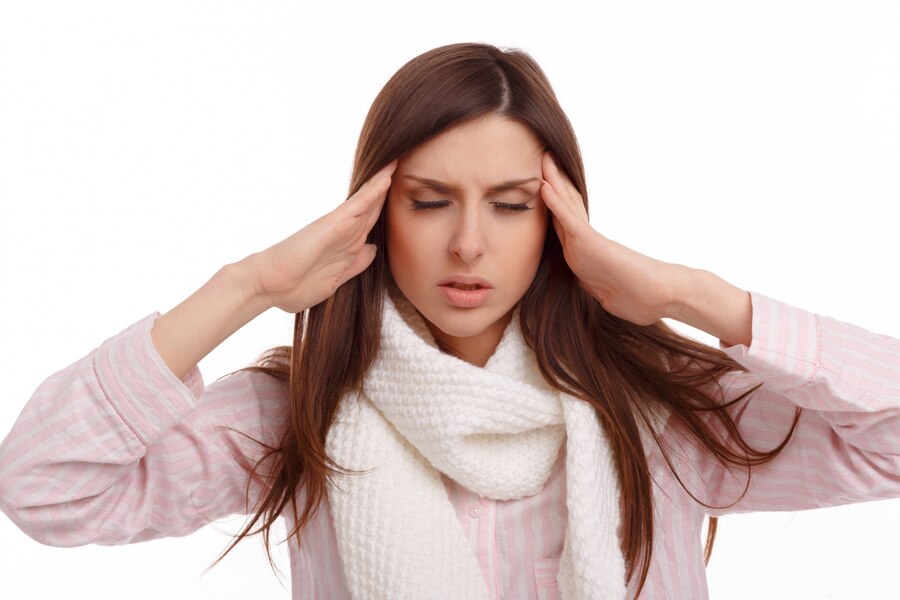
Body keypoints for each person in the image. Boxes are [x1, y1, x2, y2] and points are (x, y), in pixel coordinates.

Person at [0, 41, 898, 600]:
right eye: (430, 202)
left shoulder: (656, 406)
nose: (468, 243)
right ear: (376, 211)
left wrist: (689, 297)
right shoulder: (297, 412)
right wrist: (248, 286)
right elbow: (43, 486)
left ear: (559, 221)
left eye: (510, 205)